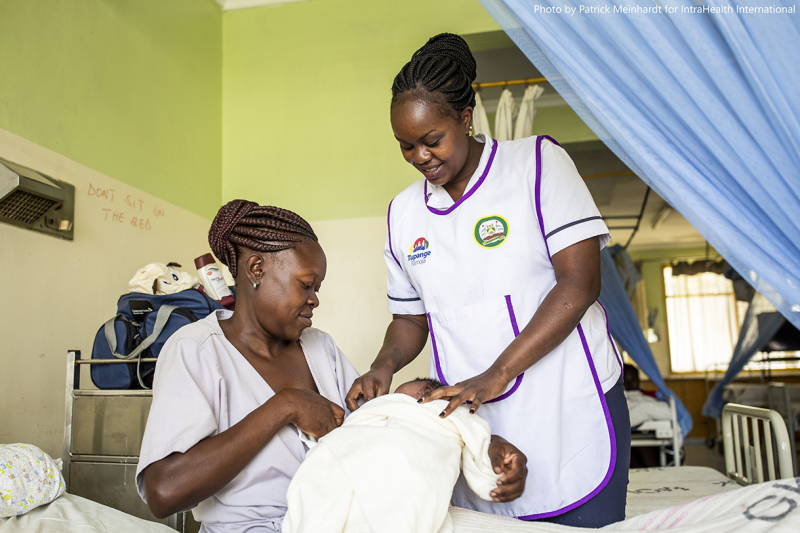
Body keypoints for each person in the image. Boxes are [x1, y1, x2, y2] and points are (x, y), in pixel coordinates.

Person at [346, 33, 631, 528]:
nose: (420, 157)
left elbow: (579, 285)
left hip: (569, 397)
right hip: (476, 418)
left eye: (432, 140)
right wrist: (383, 365)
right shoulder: (403, 214)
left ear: (465, 117)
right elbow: (410, 318)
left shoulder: (536, 165)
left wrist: (496, 374)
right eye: (405, 146)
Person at [136, 200, 526, 532]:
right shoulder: (197, 351)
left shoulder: (319, 348)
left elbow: (385, 428)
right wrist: (284, 406)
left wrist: (478, 444)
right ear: (256, 269)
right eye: (306, 285)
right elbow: (163, 492)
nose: (314, 300)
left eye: (317, 288)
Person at [283, 378, 501, 533]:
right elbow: (351, 437)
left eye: (404, 398)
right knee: (331, 475)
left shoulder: (448, 418)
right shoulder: (378, 416)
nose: (396, 401)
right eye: (395, 398)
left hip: (407, 457)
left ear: (434, 399)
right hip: (363, 451)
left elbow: (476, 437)